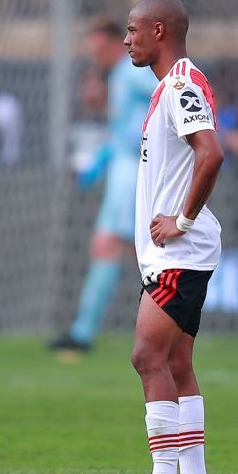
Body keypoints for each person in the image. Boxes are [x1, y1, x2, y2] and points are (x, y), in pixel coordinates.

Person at [122, 0, 224, 474]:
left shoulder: (181, 84)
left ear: (159, 31)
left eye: (134, 30)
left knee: (147, 355)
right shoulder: (173, 85)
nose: (127, 40)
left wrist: (181, 220)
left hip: (179, 253)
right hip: (175, 253)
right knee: (177, 362)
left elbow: (212, 153)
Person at [50, 18, 159, 356]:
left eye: (98, 47)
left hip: (136, 172)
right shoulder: (118, 78)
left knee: (113, 246)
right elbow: (121, 130)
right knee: (127, 250)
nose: (94, 55)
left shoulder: (132, 72)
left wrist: (147, 138)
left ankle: (84, 333)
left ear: (116, 44)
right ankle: (86, 331)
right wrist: (98, 165)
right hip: (124, 170)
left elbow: (167, 96)